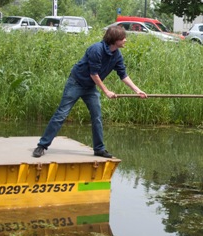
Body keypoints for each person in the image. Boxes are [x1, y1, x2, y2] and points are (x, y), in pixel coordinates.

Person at [32, 26, 147, 158]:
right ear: (114, 40)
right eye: (123, 38)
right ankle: (42, 146)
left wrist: (137, 90)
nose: (125, 40)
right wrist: (106, 91)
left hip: (90, 87)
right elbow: (94, 74)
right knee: (61, 115)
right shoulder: (96, 49)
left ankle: (99, 149)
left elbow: (123, 75)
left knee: (97, 117)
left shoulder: (117, 55)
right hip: (76, 83)